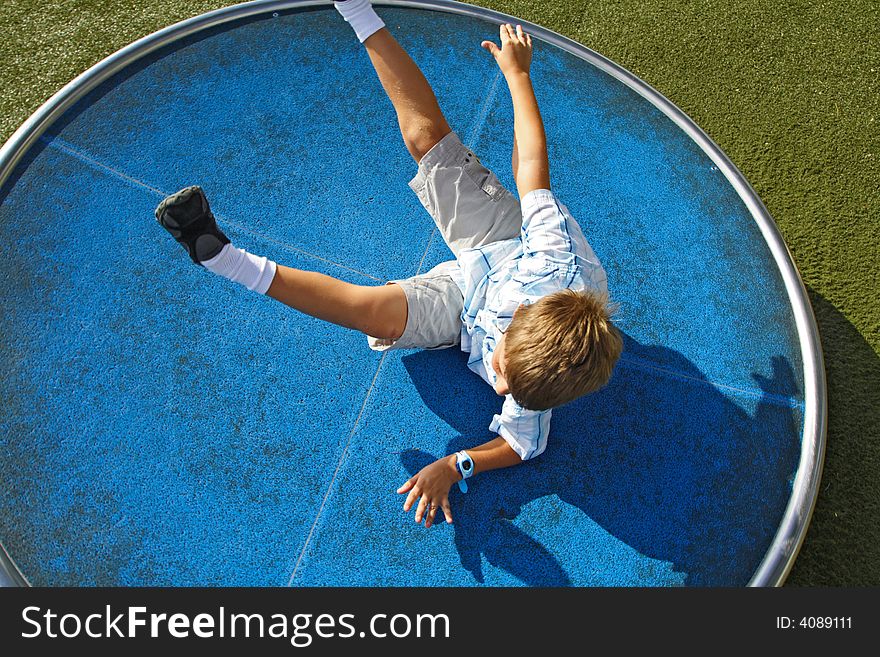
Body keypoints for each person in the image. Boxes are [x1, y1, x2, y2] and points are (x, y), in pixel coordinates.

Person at [155, 0, 622, 528]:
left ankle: (223, 259)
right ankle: (357, 10)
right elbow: (531, 167)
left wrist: (456, 463)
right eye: (505, 378)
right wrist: (517, 75)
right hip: (506, 242)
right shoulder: (557, 253)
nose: (498, 391)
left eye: (508, 392)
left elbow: (521, 445)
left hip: (465, 304)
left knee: (371, 312)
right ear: (520, 325)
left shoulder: (542, 388)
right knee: (426, 140)